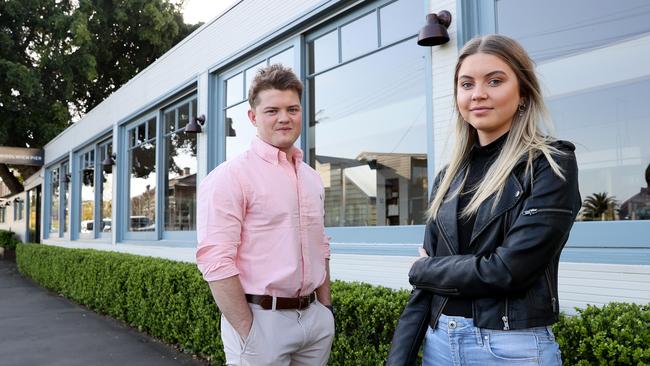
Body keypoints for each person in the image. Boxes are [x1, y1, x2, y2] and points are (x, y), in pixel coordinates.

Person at [387, 34, 581, 365]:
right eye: (466, 84)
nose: (478, 94)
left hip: (512, 349)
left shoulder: (550, 164)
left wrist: (425, 268)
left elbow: (510, 270)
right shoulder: (448, 178)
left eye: (495, 81)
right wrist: (398, 358)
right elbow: (425, 288)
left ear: (522, 92)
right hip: (440, 344)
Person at [196, 64, 334, 366]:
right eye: (272, 110)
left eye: (292, 109)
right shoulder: (229, 178)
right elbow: (215, 261)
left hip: (315, 320)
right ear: (253, 117)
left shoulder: (311, 178)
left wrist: (326, 308)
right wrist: (247, 330)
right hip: (260, 322)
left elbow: (320, 243)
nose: (284, 118)